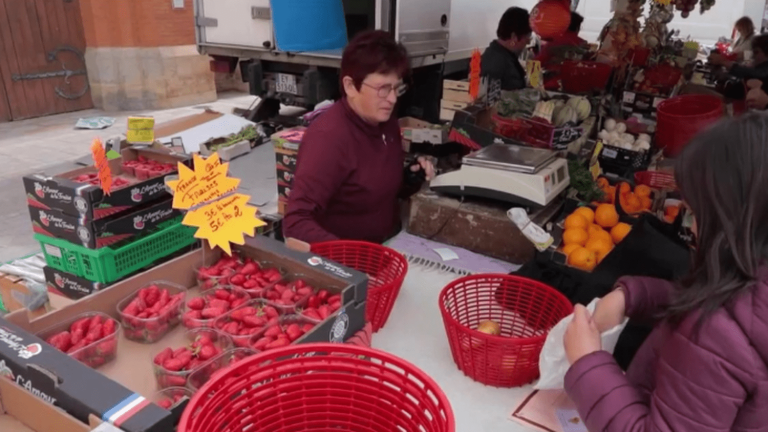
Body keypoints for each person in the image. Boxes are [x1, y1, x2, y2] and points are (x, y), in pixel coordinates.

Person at [562, 113, 768, 431]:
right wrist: (635, 297)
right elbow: (738, 313)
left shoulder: (713, 332)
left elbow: (722, 330)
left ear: (731, 221)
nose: (692, 228)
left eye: (697, 213)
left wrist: (587, 362)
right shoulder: (749, 281)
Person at [283, 30, 434, 244]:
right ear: (350, 86)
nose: (391, 99)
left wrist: (408, 179)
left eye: (396, 88)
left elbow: (366, 188)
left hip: (388, 244)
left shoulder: (385, 121)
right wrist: (350, 259)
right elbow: (296, 223)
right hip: (348, 263)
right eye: (383, 89)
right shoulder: (328, 139)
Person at [481, 7, 532, 91]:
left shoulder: (499, 54)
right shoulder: (498, 63)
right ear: (514, 37)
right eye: (527, 36)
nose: (528, 42)